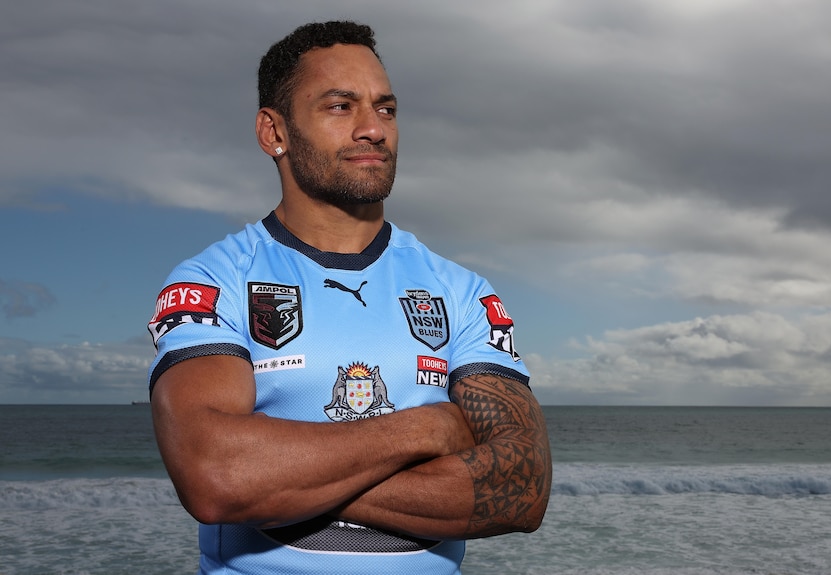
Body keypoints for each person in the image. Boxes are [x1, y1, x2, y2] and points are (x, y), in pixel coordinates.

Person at [147, 20, 551, 575]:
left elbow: (522, 489)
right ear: (274, 132)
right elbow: (218, 479)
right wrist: (429, 429)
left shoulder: (459, 292)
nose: (373, 129)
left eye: (385, 109)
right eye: (340, 106)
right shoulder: (214, 282)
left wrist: (281, 481)